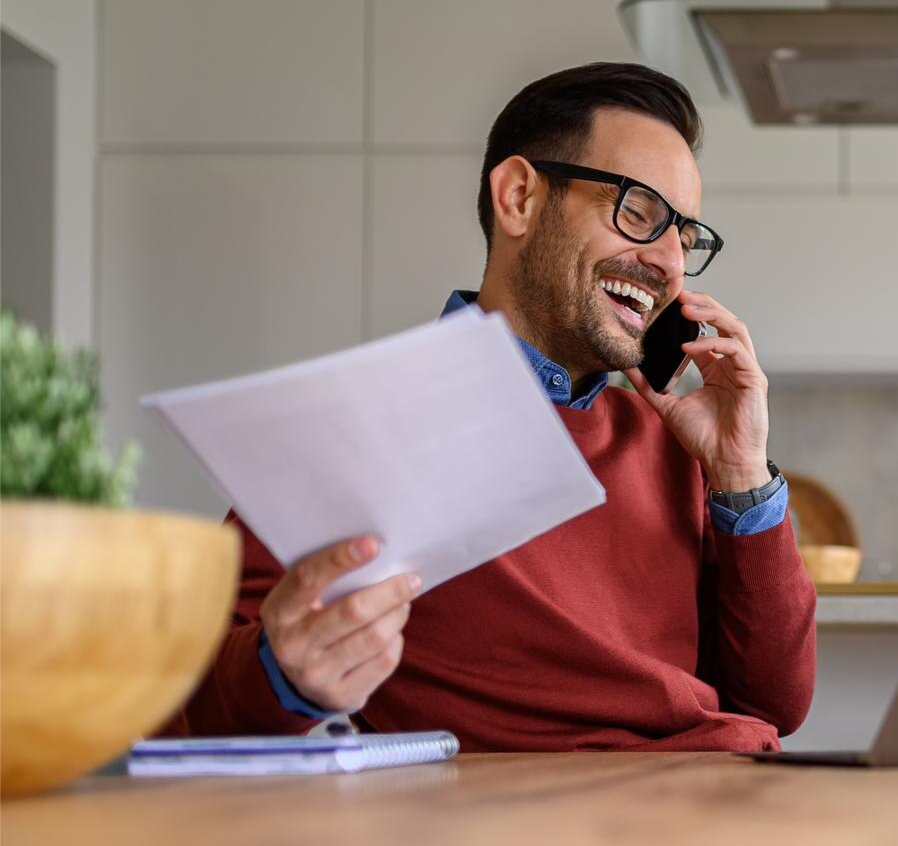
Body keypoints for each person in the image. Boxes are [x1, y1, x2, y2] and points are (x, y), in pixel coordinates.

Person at [163, 63, 816, 752]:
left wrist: (740, 473)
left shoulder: (678, 448)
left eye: (684, 238)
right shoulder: (363, 424)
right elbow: (194, 705)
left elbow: (776, 703)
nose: (669, 263)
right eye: (640, 213)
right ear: (518, 197)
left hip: (723, 793)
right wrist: (286, 673)